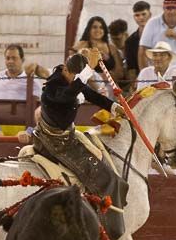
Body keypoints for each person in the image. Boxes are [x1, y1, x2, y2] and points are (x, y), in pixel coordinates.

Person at [32, 47, 123, 208]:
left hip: (69, 135)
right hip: (54, 141)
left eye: (78, 77)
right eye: (74, 76)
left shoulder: (72, 81)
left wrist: (115, 107)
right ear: (65, 69)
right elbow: (67, 95)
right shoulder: (52, 87)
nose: (76, 81)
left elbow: (92, 95)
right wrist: (88, 71)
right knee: (98, 174)